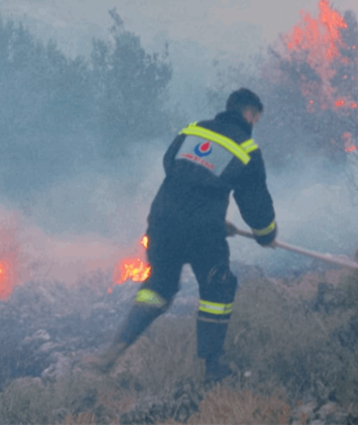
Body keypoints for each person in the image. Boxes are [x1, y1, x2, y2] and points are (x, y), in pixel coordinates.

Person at [90, 88, 277, 383]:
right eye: (256, 117)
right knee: (218, 287)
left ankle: (119, 343)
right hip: (202, 231)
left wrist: (215, 217)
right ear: (249, 114)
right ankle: (212, 367)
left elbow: (172, 166)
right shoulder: (246, 148)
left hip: (162, 220)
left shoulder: (194, 130)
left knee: (159, 286)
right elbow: (255, 204)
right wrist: (266, 235)